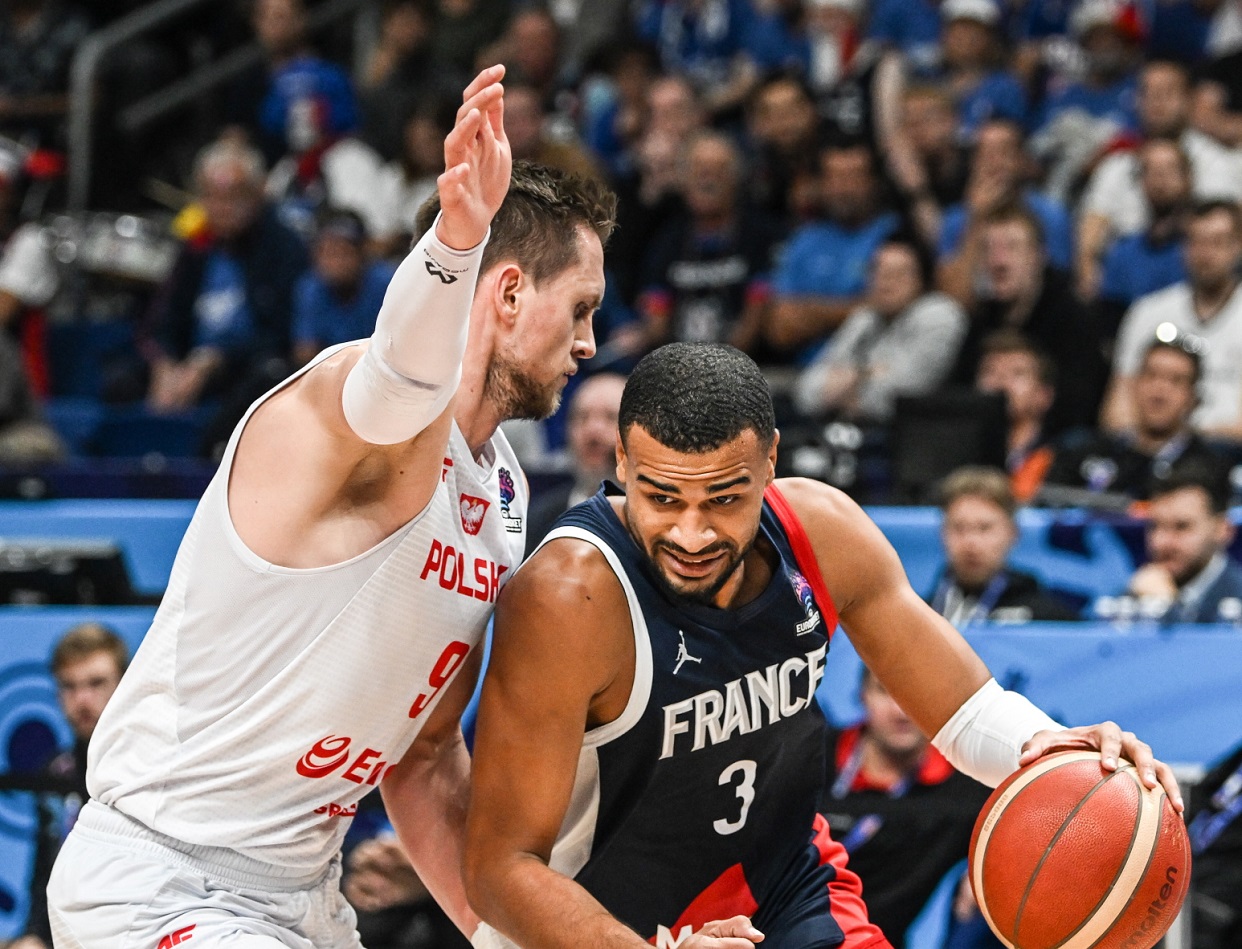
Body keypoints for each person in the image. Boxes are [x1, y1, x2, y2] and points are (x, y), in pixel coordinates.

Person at [47, 65, 617, 949]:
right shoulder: (348, 405)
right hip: (163, 875)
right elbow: (402, 382)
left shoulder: (503, 495)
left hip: (306, 894)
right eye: (579, 308)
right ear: (508, 293)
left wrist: (505, 937)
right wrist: (457, 240)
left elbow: (425, 758)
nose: (589, 341)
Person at [464, 342, 1179, 949]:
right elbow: (499, 869)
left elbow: (965, 712)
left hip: (783, 889)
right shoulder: (569, 596)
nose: (691, 533)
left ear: (771, 461)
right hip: (605, 924)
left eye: (724, 499)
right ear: (622, 462)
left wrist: (1054, 751)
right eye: (663, 498)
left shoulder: (821, 531)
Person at [819, 667, 990, 949]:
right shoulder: (808, 758)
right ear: (862, 695)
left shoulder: (967, 790)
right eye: (885, 691)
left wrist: (993, 865)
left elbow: (1038, 823)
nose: (901, 711)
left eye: (914, 693)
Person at [17, 623, 128, 949]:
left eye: (96, 683)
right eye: (69, 686)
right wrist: (34, 936)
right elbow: (44, 873)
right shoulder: (55, 771)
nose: (82, 700)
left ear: (125, 684)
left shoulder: (150, 767)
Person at [1104, 200, 1242, 441]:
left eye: (1217, 242)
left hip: (1227, 453)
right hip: (1148, 448)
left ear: (1238, 247)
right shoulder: (1148, 311)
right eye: (1196, 242)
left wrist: (1185, 439)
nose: (1205, 254)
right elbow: (1116, 412)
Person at [793, 236, 966, 423]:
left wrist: (844, 384)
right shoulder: (865, 317)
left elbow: (903, 398)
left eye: (897, 274)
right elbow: (805, 390)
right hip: (847, 430)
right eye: (878, 272)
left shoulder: (939, 314)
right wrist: (866, 373)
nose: (885, 283)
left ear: (921, 279)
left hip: (912, 432)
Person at [1045, 336, 1221, 502]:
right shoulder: (1082, 451)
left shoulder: (1209, 471)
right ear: (1134, 384)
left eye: (1176, 381)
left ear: (1193, 398)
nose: (1159, 392)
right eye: (1151, 375)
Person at [930, 465, 1079, 627]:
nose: (970, 542)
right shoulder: (921, 614)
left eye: (984, 528)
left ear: (1013, 533)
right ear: (942, 532)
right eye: (959, 528)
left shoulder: (1051, 619)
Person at [1126, 459, 1242, 623]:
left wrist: (1167, 608)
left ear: (1223, 530)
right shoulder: (1133, 598)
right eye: (1155, 526)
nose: (1161, 542)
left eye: (1181, 527)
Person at [525, 371, 627, 557]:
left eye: (611, 417)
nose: (592, 431)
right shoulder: (538, 520)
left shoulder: (659, 518)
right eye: (581, 417)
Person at [292, 209, 398, 367]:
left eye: (343, 252)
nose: (335, 263)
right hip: (331, 371)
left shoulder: (386, 283)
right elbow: (305, 353)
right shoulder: (311, 288)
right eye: (327, 253)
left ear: (362, 253)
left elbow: (398, 346)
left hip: (381, 370)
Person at [974, 332, 1057, 502]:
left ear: (1044, 395)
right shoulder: (957, 455)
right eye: (990, 372)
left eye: (1017, 373)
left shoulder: (1059, 458)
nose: (1001, 382)